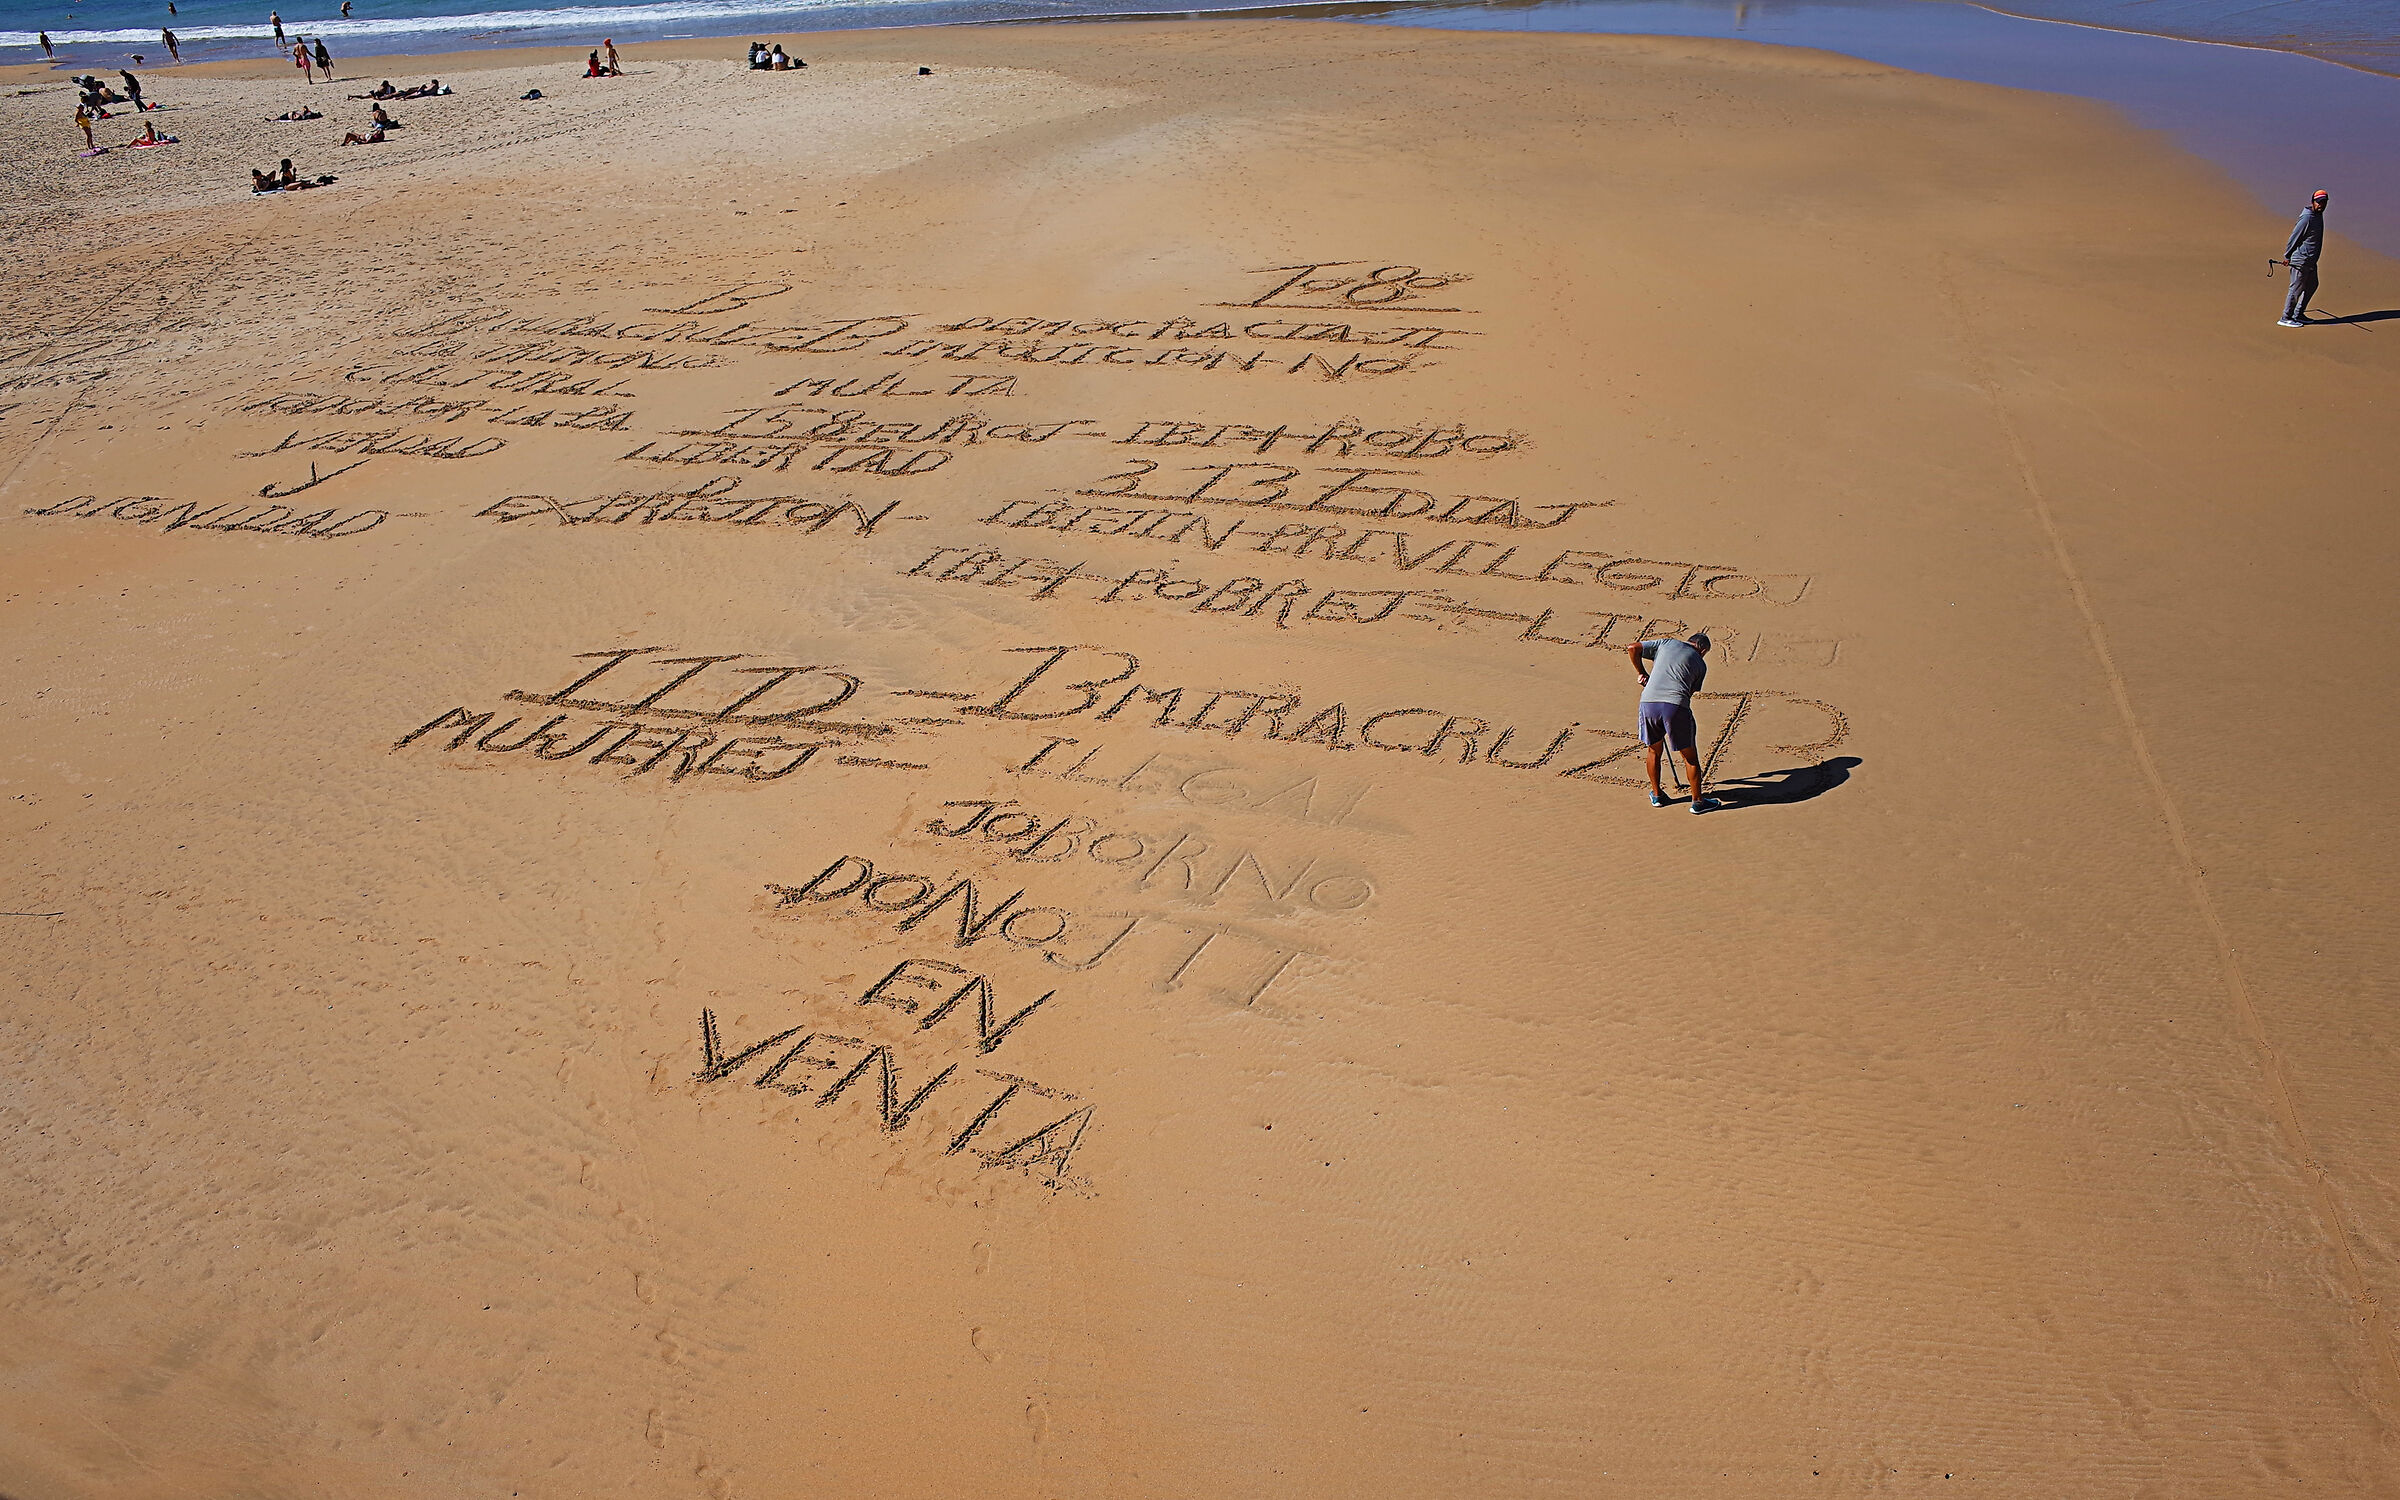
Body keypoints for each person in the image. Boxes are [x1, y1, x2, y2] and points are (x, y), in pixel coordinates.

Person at [1628, 631, 1721, 813]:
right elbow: (1689, 692)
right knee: (1690, 757)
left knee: (1653, 750)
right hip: (1675, 706)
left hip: (1648, 703)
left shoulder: (1666, 644)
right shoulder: (1700, 664)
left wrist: (1642, 673)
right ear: (1702, 650)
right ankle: (1698, 802)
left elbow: (1633, 648)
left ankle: (1657, 796)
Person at [2275, 190, 2329, 328]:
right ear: (2313, 202)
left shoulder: (2318, 215)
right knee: (2296, 289)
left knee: (2312, 285)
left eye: (2324, 202)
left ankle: (2298, 314)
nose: (2321, 205)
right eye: (2319, 202)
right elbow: (2294, 237)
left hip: (2311, 261)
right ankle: (2285, 317)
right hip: (2301, 260)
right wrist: (2287, 256)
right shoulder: (2306, 218)